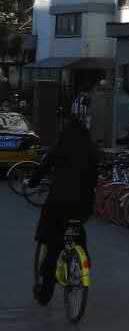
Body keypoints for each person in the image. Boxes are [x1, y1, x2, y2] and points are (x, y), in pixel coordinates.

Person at [29, 113, 99, 306]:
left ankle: (44, 294)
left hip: (59, 205)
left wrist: (32, 182)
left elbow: (43, 168)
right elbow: (94, 180)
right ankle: (83, 260)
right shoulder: (91, 152)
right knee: (77, 229)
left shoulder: (60, 148)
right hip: (83, 207)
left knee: (52, 248)